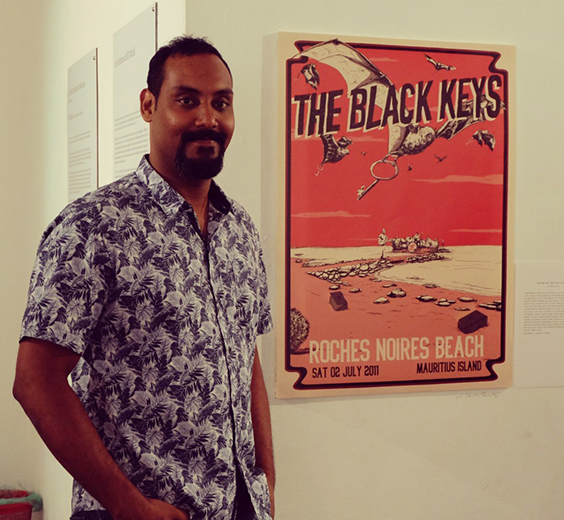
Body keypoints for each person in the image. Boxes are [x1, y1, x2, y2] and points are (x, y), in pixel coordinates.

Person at [13, 36, 275, 520]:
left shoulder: (239, 229)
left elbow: (246, 360)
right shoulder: (95, 225)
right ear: (148, 105)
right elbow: (35, 381)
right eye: (187, 100)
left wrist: (267, 485)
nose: (208, 119)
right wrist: (129, 506)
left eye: (221, 103)